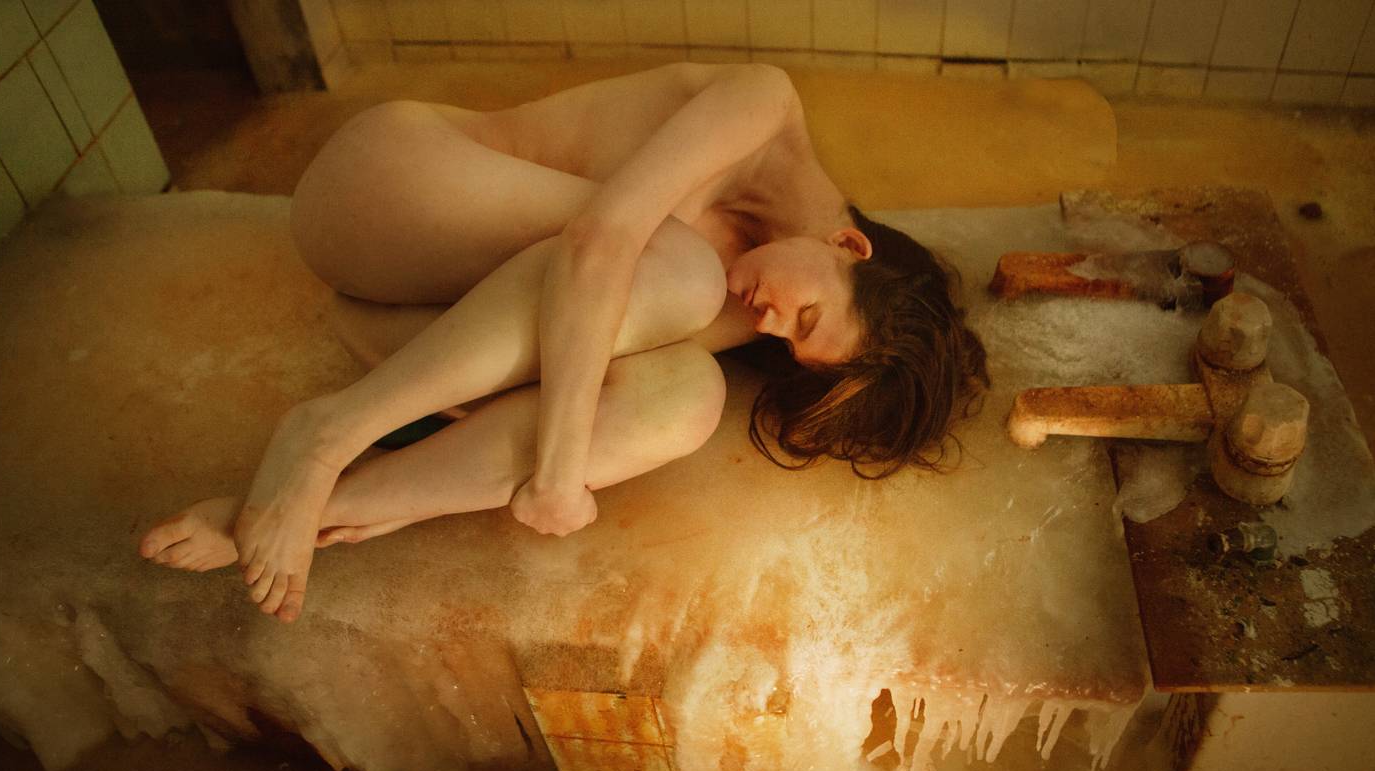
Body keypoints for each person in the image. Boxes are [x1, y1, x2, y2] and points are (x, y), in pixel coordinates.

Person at [137, 63, 986, 623]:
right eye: (805, 317)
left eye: (794, 346)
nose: (770, 324)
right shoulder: (763, 108)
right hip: (385, 184)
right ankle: (329, 434)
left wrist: (567, 445)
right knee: (673, 274)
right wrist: (556, 473)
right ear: (849, 246)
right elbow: (597, 242)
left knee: (686, 400)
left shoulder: (753, 290)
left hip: (397, 305)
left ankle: (316, 506)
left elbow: (565, 372)